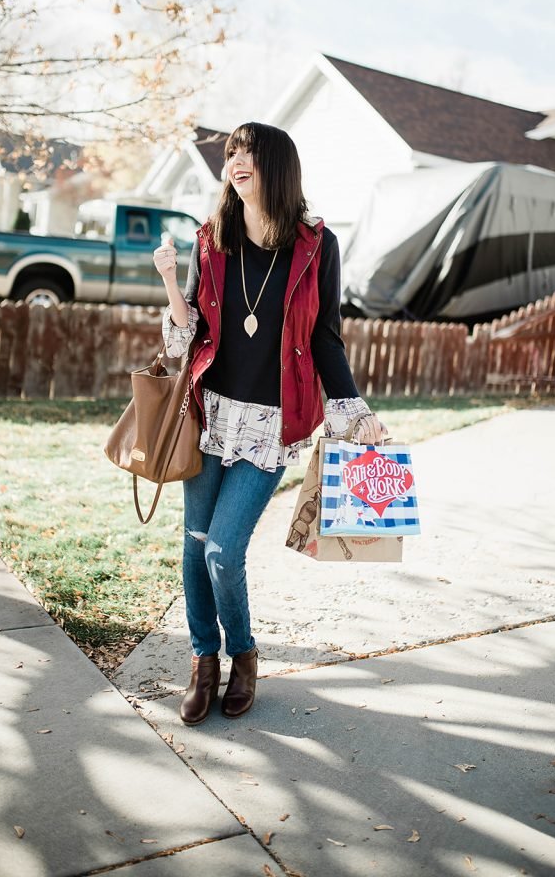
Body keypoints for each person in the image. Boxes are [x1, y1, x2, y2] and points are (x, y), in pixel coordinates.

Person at [153, 122, 387, 726]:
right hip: (209, 415)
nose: (236, 161)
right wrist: (170, 285)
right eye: (232, 152)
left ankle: (244, 654)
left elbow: (325, 340)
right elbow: (186, 340)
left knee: (225, 552)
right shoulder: (212, 238)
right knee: (195, 546)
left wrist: (355, 412)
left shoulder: (315, 245)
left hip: (268, 424)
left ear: (277, 166)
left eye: (249, 152)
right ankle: (205, 661)